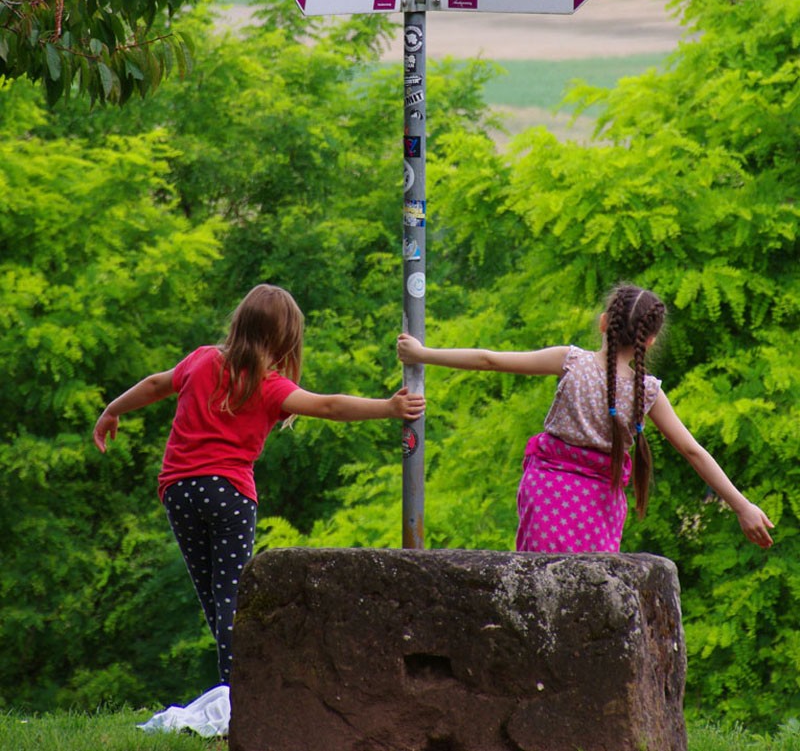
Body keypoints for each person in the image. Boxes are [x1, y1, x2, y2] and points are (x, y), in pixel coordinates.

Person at [94, 283, 425, 685]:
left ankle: (233, 689)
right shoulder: (269, 385)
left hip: (179, 491)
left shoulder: (200, 360)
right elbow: (328, 406)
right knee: (233, 600)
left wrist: (112, 410)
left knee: (215, 601)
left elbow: (154, 385)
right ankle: (242, 699)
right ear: (285, 339)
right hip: (229, 494)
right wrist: (388, 408)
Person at [397, 283, 773, 554]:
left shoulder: (571, 362)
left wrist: (422, 353)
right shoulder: (648, 392)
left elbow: (489, 359)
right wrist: (742, 506)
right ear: (651, 340)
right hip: (599, 504)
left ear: (604, 322)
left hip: (545, 491)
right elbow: (693, 452)